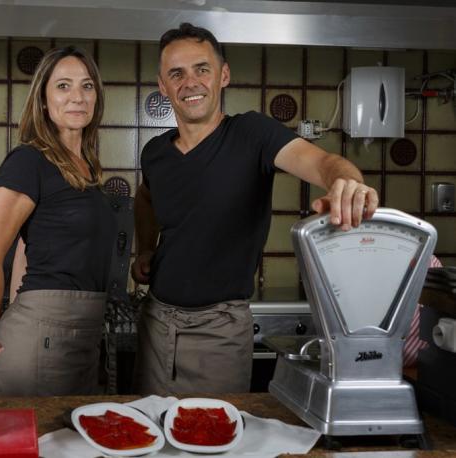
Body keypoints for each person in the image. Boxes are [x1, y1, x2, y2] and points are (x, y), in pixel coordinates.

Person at [131, 23, 380, 395]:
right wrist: (146, 248)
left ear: (223, 75)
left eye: (202, 69)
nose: (190, 82)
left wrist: (346, 181)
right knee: (150, 438)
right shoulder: (155, 152)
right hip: (155, 322)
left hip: (220, 330)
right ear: (163, 85)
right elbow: (146, 198)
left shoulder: (253, 134)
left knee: (213, 444)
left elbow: (323, 162)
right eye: (176, 74)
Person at [0, 46, 116, 397]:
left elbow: (26, 249)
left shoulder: (88, 168)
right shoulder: (28, 161)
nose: (77, 97)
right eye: (63, 86)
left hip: (83, 332)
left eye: (87, 86)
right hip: (40, 337)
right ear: (43, 99)